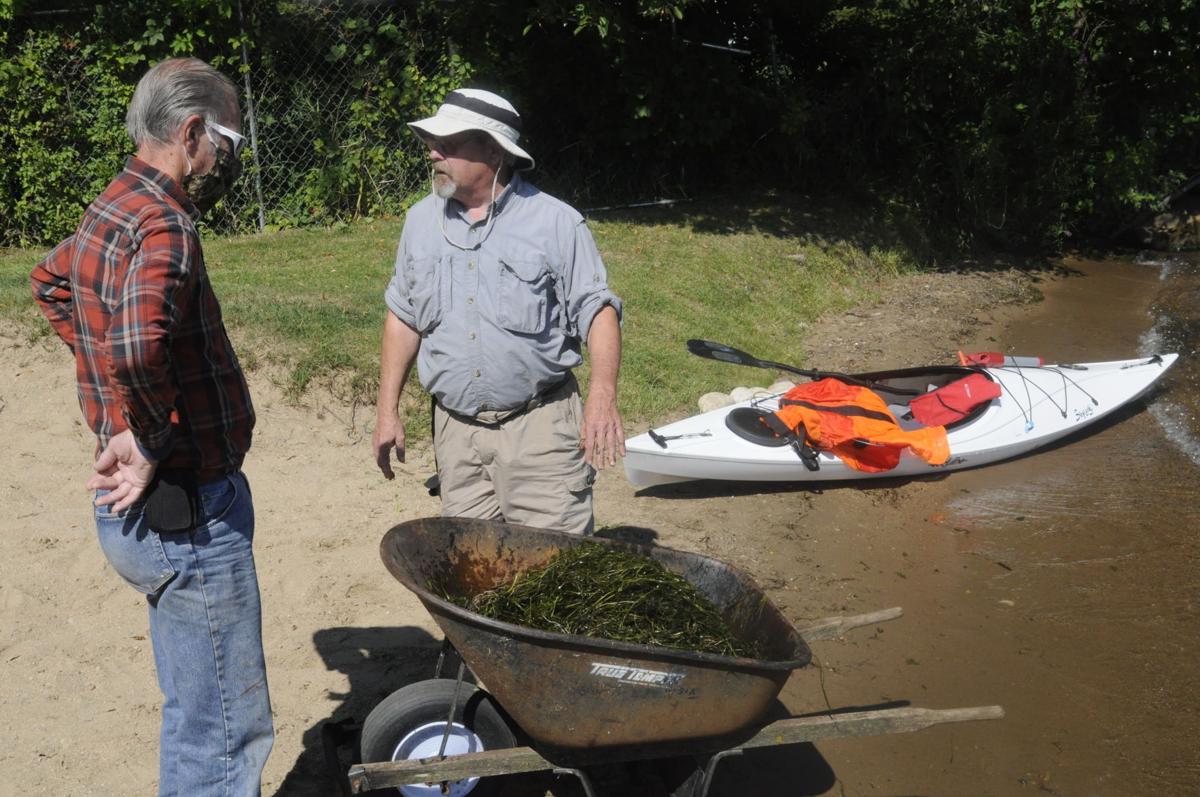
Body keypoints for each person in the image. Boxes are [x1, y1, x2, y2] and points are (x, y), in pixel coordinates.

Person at [30, 58, 273, 795]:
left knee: (194, 707)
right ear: (192, 131)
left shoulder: (112, 203)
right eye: (227, 141)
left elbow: (49, 281)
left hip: (141, 517)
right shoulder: (165, 222)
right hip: (188, 513)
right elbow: (138, 346)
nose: (229, 158)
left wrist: (113, 400)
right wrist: (149, 434)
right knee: (225, 729)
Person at [373, 88, 624, 536]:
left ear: (493, 149)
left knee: (554, 575)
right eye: (432, 143)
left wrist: (602, 396)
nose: (433, 153)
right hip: (456, 437)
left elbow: (597, 309)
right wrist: (386, 410)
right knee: (475, 577)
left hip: (539, 432)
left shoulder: (555, 223)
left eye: (448, 144)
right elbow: (404, 315)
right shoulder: (419, 222)